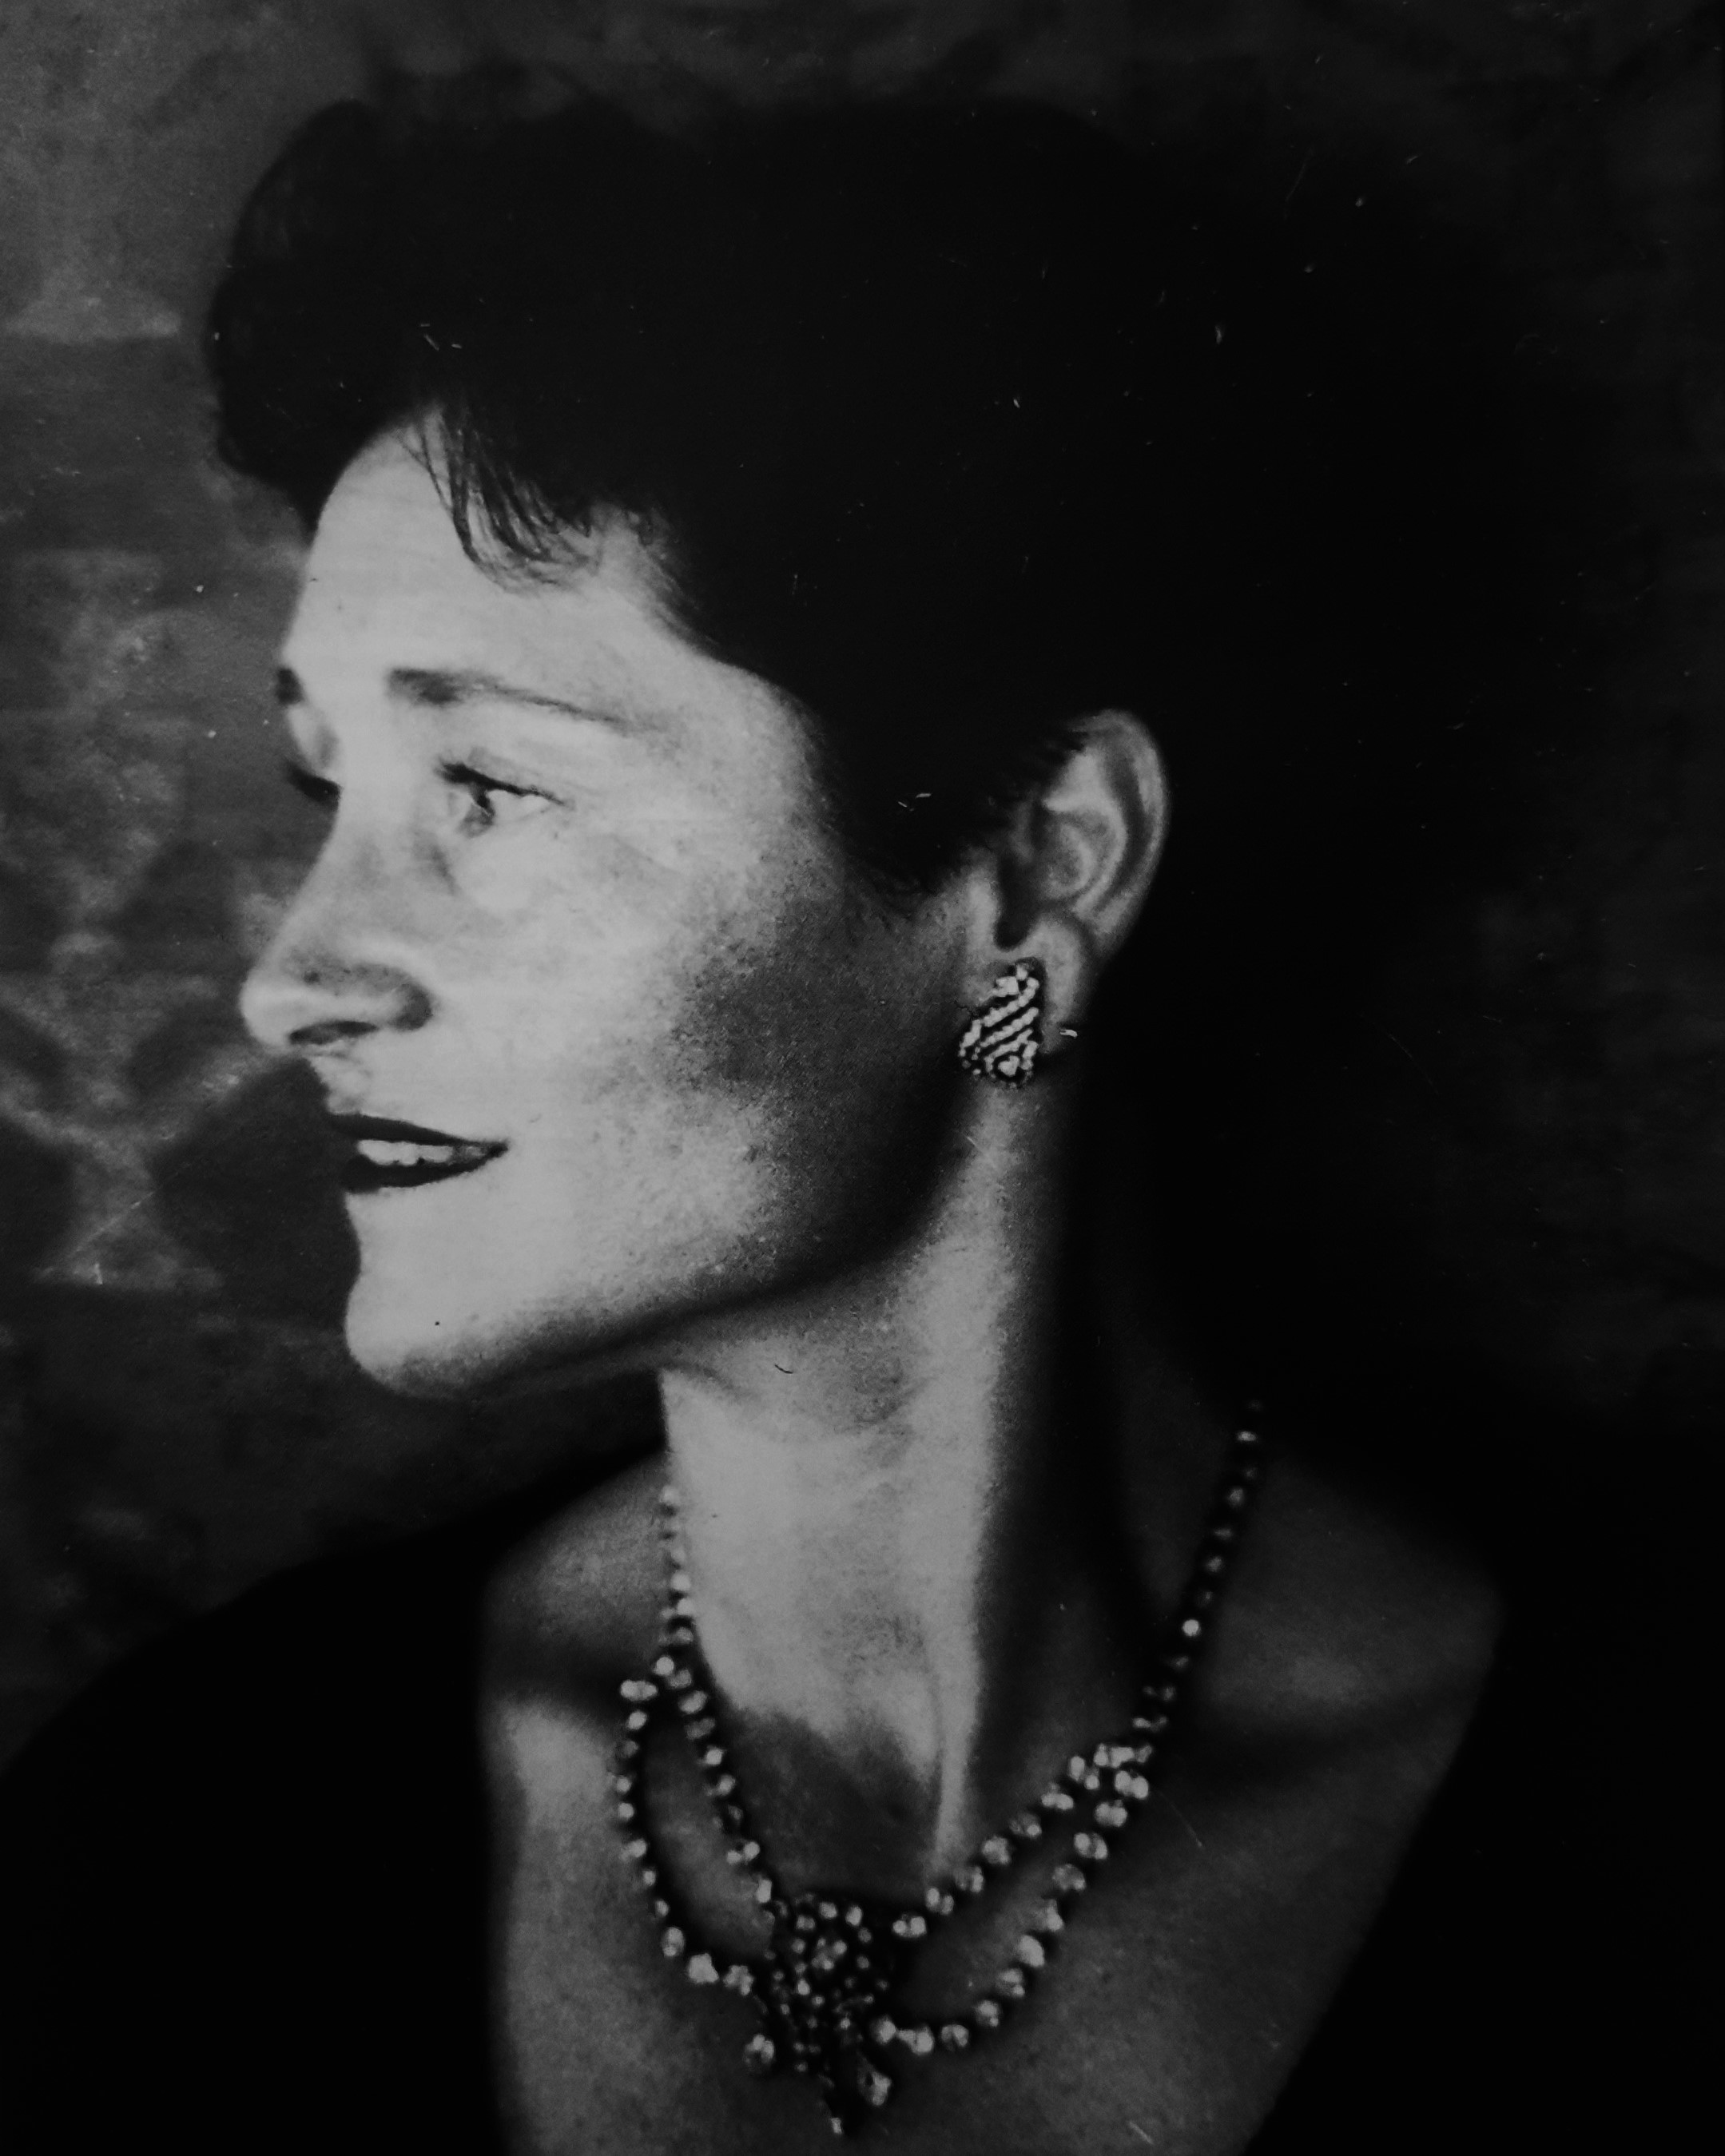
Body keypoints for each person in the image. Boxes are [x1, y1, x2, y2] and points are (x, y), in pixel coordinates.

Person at [0, 80, 1685, 2154]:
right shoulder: (170, 1854)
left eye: (492, 789)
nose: (290, 980)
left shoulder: (1645, 1837)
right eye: (324, 787)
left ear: (1041, 868)